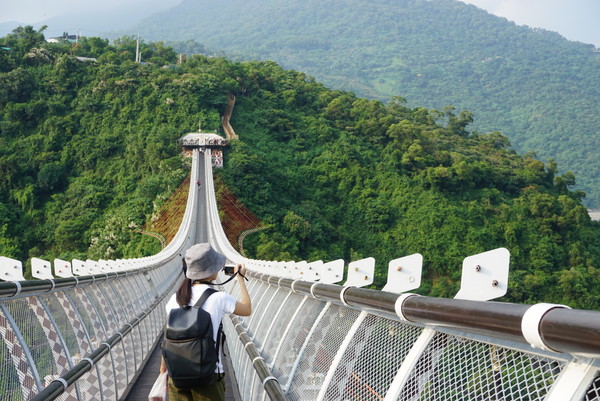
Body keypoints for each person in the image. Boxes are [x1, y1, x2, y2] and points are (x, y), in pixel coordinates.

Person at [161, 243, 252, 401]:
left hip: (177, 377)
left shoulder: (174, 299)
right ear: (211, 272)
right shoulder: (219, 298)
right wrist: (241, 280)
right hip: (209, 377)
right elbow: (247, 309)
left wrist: (163, 371)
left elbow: (169, 337)